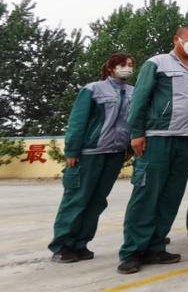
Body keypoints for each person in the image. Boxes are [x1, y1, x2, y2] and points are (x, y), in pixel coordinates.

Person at [118, 27, 188, 275]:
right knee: (147, 194)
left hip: (185, 140)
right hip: (157, 137)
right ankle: (133, 251)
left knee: (170, 195)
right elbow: (141, 99)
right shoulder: (157, 63)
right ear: (177, 39)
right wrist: (136, 133)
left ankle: (156, 246)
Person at [50, 54, 135, 262]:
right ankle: (62, 246)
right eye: (123, 65)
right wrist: (72, 150)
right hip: (90, 153)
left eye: (131, 65)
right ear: (112, 68)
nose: (128, 68)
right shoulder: (93, 89)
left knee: (97, 201)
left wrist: (128, 148)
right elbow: (78, 121)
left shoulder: (133, 92)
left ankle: (81, 243)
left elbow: (132, 122)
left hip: (115, 154)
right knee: (77, 199)